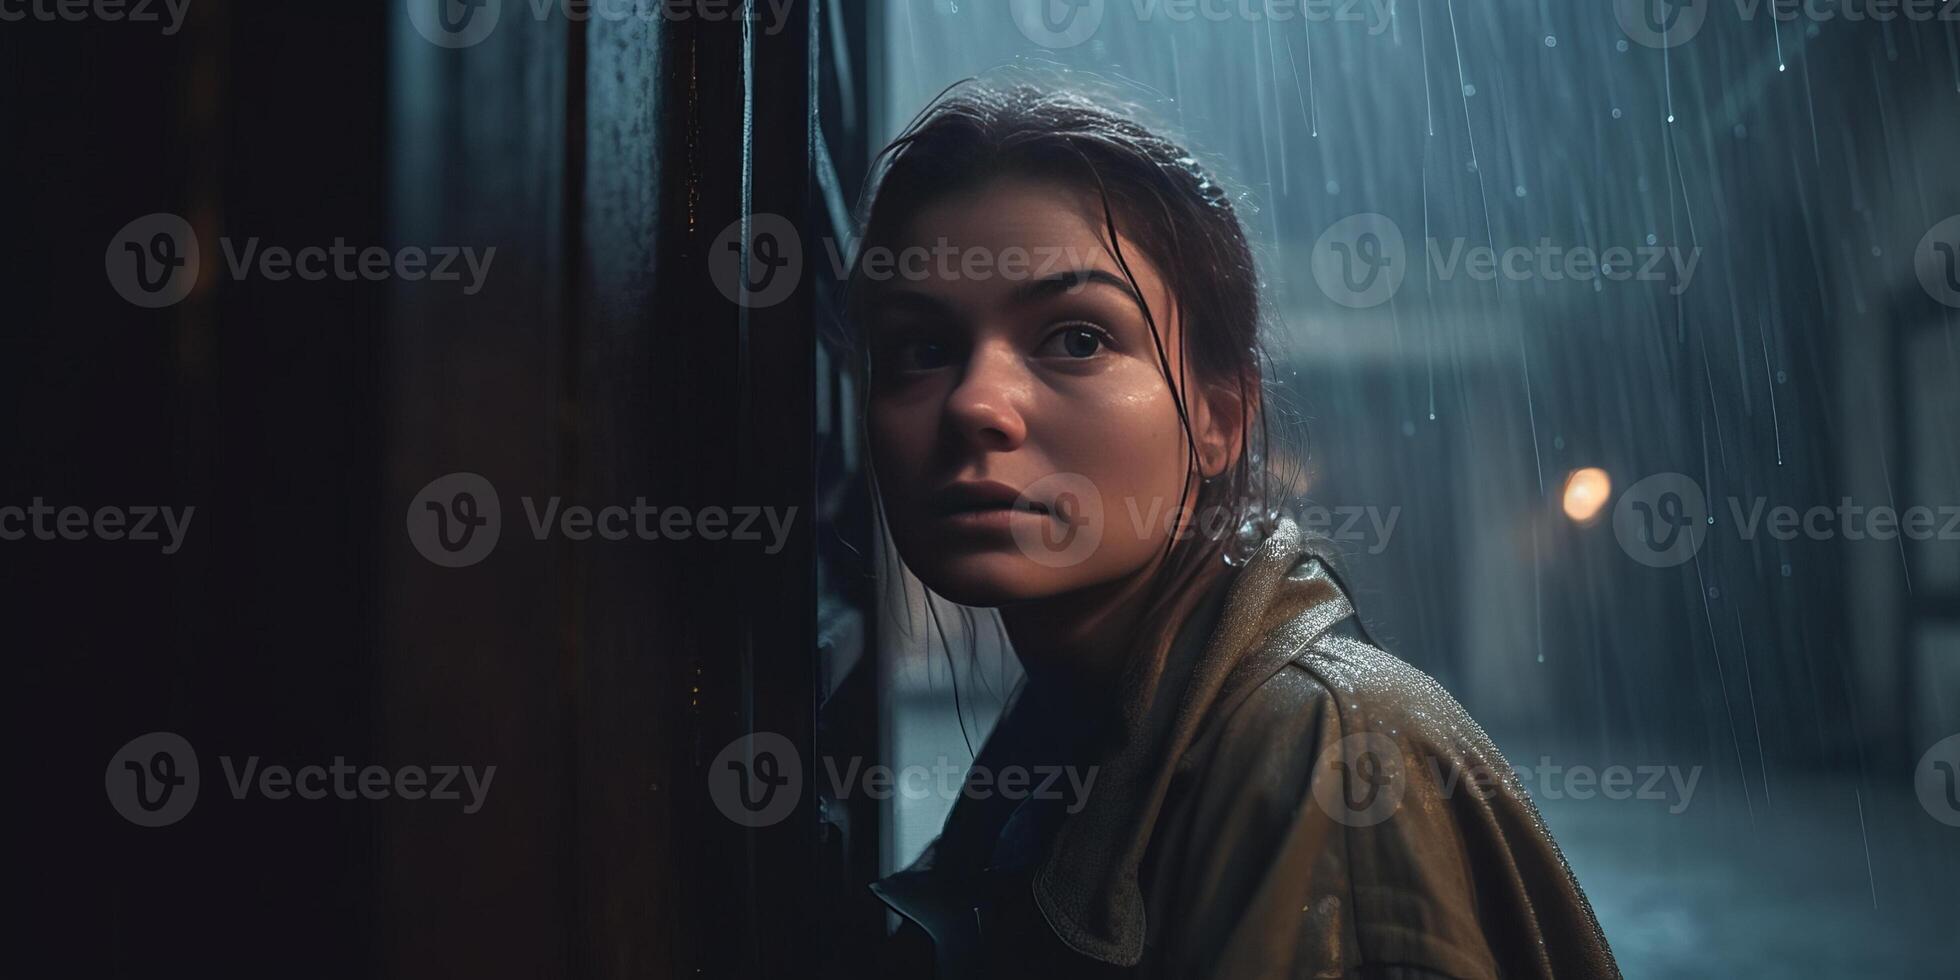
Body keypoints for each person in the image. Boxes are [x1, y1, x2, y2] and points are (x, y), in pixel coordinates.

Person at [844, 81, 1619, 979]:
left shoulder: (1329, 764)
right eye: (921, 349)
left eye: (1077, 338)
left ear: (1219, 416)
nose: (977, 402)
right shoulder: (1065, 732)